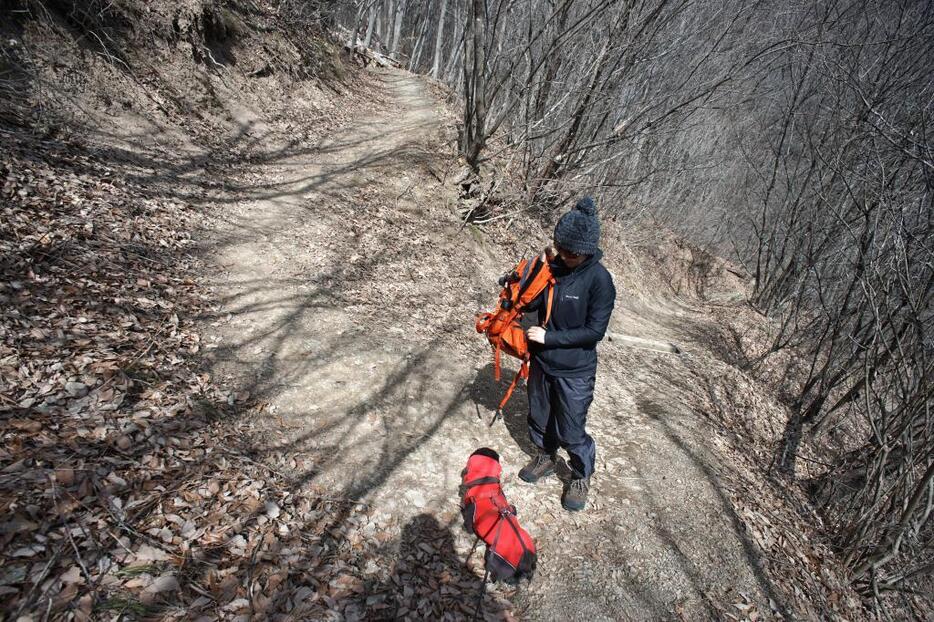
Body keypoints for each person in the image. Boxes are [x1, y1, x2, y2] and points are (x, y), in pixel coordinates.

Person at [517, 196, 616, 512]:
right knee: (540, 416)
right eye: (560, 249)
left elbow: (594, 332)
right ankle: (545, 457)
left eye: (570, 253)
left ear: (586, 251)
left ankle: (580, 474)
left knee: (571, 429)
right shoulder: (553, 268)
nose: (564, 256)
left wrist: (550, 337)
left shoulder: (600, 281)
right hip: (542, 364)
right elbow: (530, 303)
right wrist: (526, 278)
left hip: (575, 370)